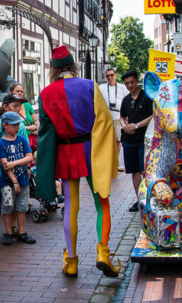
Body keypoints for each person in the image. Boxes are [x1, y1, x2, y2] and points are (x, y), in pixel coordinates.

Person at [37, 45, 120, 278]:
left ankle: (72, 261)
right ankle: (103, 253)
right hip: (92, 149)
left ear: (53, 68)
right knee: (102, 202)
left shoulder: (46, 93)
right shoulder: (90, 86)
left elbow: (45, 133)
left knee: (71, 207)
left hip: (66, 151)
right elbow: (105, 121)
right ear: (73, 65)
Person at [0, 93, 29, 239]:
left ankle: (14, 227)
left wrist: (27, 166)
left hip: (20, 168)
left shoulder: (20, 125)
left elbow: (25, 147)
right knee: (4, 199)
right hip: (3, 167)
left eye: (19, 106)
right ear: (5, 107)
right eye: (14, 106)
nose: (17, 109)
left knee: (17, 200)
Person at [0, 111, 35, 245]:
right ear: (4, 125)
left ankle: (21, 232)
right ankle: (8, 232)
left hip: (23, 179)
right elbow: (5, 165)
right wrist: (14, 181)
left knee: (22, 207)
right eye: (13, 125)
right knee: (7, 207)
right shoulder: (0, 143)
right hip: (7, 183)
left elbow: (30, 157)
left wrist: (15, 163)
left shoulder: (22, 140)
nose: (16, 127)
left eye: (17, 124)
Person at [120, 69, 154, 212]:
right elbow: (122, 117)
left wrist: (137, 125)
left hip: (143, 139)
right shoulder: (126, 100)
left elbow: (153, 115)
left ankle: (149, 199)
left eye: (132, 82)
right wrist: (125, 126)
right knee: (134, 171)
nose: (130, 86)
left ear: (137, 81)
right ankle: (140, 200)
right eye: (127, 83)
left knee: (144, 170)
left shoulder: (147, 97)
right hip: (129, 140)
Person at [99, 68, 129, 171]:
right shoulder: (102, 87)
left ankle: (115, 163)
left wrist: (127, 117)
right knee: (106, 141)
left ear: (115, 75)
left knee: (118, 140)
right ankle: (107, 162)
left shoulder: (122, 88)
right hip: (106, 118)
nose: (110, 77)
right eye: (108, 76)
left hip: (118, 117)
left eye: (111, 75)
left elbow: (127, 101)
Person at [9, 83, 39, 149]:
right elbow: (10, 126)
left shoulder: (27, 105)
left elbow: (36, 120)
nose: (20, 93)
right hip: (16, 141)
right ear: (11, 92)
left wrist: (36, 126)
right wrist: (29, 127)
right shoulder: (9, 106)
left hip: (30, 140)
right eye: (17, 91)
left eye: (22, 92)